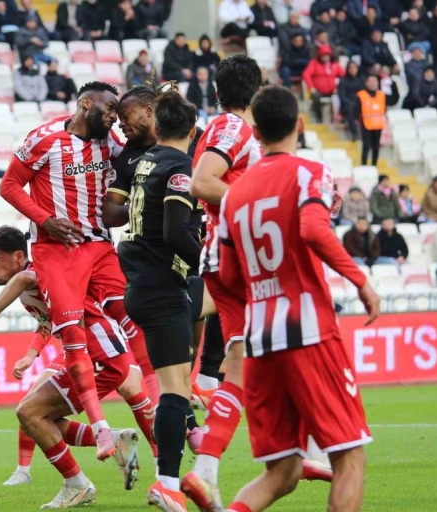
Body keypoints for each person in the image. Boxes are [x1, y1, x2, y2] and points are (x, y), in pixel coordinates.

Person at [216, 85, 378, 512]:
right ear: (300, 125)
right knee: (349, 456)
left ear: (255, 132)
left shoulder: (233, 195)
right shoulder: (311, 172)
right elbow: (312, 229)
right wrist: (360, 280)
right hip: (308, 333)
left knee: (283, 471)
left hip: (259, 340)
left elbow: (228, 277)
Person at [0, 226, 153, 499]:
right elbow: (47, 321)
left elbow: (24, 278)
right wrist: (32, 353)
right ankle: (115, 443)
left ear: (19, 256)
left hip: (99, 355)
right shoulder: (32, 286)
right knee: (37, 416)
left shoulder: (37, 273)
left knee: (30, 412)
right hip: (89, 353)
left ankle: (78, 483)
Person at [0, 81, 128, 462]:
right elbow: (9, 185)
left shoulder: (111, 142)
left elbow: (137, 159)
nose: (114, 116)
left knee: (133, 320)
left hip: (99, 248)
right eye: (109, 108)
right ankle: (102, 431)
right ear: (85, 104)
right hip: (57, 251)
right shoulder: (44, 139)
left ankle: (181, 414)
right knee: (73, 335)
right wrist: (45, 220)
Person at [182, 56, 263, 511]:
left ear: (217, 92)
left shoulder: (225, 127)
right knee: (293, 345)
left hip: (224, 255)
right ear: (257, 92)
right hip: (239, 256)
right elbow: (201, 182)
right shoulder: (233, 128)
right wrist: (261, 205)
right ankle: (312, 447)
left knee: (241, 364)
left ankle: (206, 472)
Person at [116, 91, 204, 510]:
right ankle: (166, 481)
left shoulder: (147, 161)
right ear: (192, 130)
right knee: (174, 391)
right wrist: (206, 257)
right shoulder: (179, 166)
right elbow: (174, 231)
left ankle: (211, 379)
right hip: (160, 287)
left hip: (143, 282)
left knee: (221, 299)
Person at [302, 44, 344, 123]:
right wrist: (311, 87)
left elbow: (343, 75)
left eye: (327, 55)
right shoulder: (314, 63)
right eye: (323, 55)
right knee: (315, 96)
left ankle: (339, 117)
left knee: (342, 95)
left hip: (332, 90)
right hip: (318, 90)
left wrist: (338, 87)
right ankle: (319, 116)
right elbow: (306, 74)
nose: (325, 57)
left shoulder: (334, 64)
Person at [356, 74, 385, 166]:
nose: (372, 84)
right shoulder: (361, 95)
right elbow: (356, 109)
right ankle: (364, 166)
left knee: (376, 147)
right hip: (366, 124)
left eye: (374, 81)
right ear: (366, 83)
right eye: (370, 81)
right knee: (366, 146)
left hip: (378, 124)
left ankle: (374, 166)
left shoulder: (381, 94)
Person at [338, 61, 364, 140]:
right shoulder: (343, 81)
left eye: (354, 68)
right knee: (350, 109)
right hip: (347, 104)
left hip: (360, 103)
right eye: (351, 68)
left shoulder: (361, 80)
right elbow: (342, 96)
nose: (353, 70)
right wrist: (350, 102)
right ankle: (354, 133)